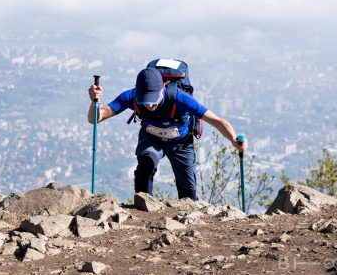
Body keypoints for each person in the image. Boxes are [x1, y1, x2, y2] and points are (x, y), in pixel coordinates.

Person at [87, 66, 248, 200]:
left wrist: (234, 140)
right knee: (146, 165)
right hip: (151, 138)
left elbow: (217, 121)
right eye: (145, 100)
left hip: (180, 142)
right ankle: (143, 207)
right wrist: (94, 102)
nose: (149, 105)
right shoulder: (131, 96)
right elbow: (96, 118)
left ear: (163, 86)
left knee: (188, 189)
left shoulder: (180, 99)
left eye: (152, 99)